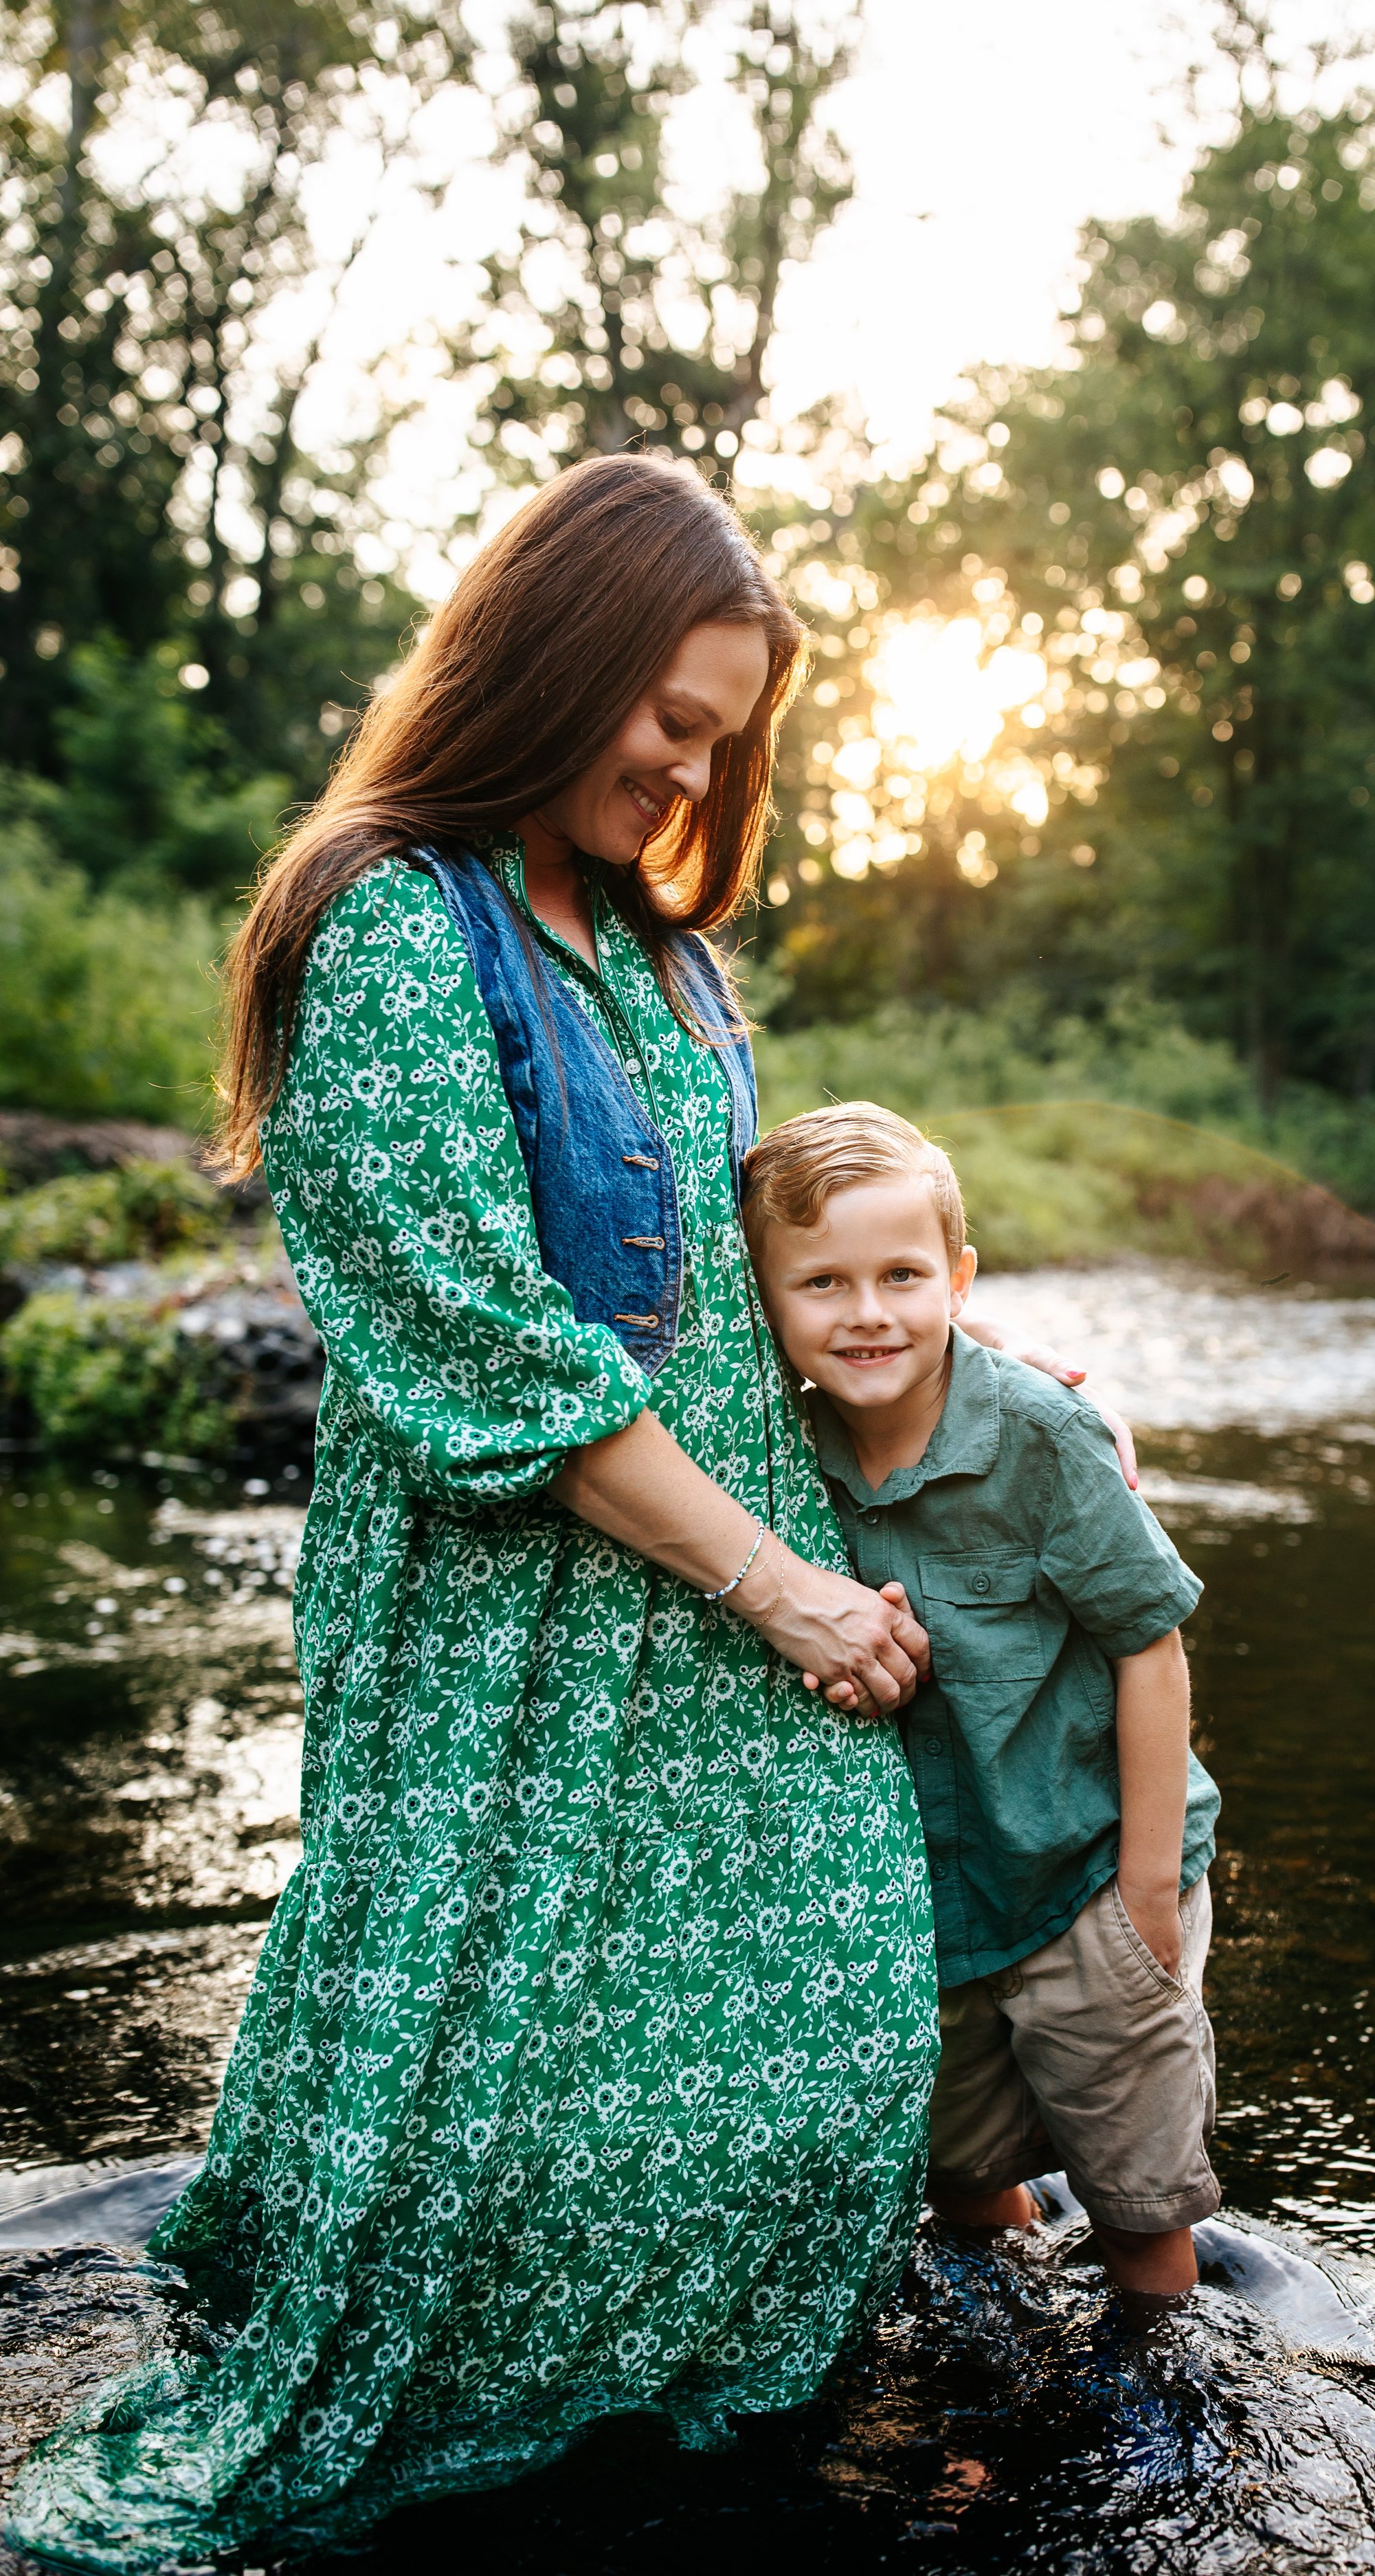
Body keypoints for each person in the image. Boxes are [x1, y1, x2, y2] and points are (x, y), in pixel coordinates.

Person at [5, 457, 950, 2571]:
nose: (690, 769)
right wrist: (783, 1581)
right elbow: (487, 1348)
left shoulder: (647, 940)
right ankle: (465, 2384)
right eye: (669, 720)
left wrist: (958, 1374)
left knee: (840, 1990)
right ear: (560, 658)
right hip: (523, 1597)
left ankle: (677, 2394)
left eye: (721, 736)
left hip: (714, 1564)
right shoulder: (390, 922)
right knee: (486, 2048)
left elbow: (753, 1257)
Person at [744, 1103, 1222, 2323]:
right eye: (824, 1283)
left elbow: (1150, 1648)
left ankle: (1147, 2412)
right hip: (934, 1908)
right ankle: (995, 2368)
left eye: (903, 1275)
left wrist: (1152, 1892)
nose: (868, 1312)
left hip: (1087, 1877)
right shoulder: (776, 1446)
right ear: (768, 1303)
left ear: (958, 1278)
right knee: (963, 2182)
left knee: (1138, 2210)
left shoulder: (1041, 1432)